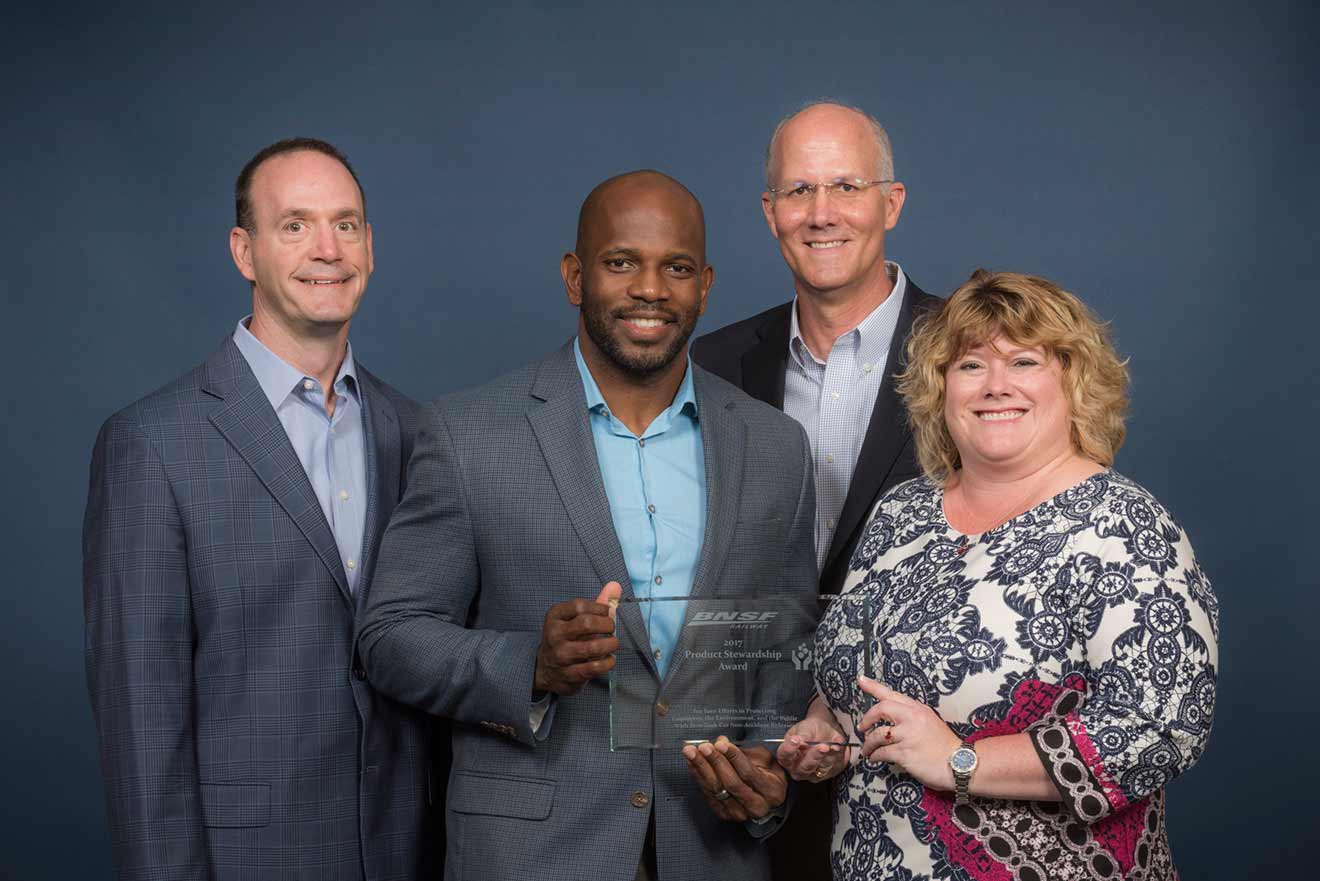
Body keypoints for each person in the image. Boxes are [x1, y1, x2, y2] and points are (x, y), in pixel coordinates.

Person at [358, 170, 818, 881]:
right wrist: (530, 667)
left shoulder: (776, 447)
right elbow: (390, 636)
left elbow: (787, 655)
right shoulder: (468, 433)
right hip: (531, 853)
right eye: (620, 262)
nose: (650, 289)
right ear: (575, 276)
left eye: (677, 267)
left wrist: (766, 769)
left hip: (713, 850)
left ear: (706, 285)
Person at [778, 270, 1219, 881]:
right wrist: (826, 728)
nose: (995, 386)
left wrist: (961, 761)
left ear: (1074, 380)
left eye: (1024, 361)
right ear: (940, 389)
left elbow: (1162, 727)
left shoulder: (1124, 528)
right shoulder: (903, 513)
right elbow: (854, 670)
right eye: (970, 366)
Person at [83, 138, 430, 881]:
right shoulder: (151, 444)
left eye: (346, 224)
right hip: (249, 859)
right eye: (295, 225)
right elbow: (144, 722)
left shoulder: (416, 430)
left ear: (370, 246)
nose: (327, 248)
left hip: (405, 850)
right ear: (245, 251)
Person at [691, 99, 941, 881]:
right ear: (770, 213)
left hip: (933, 773)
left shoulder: (973, 351)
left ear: (891, 202)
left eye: (846, 186)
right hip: (763, 769)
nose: (822, 213)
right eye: (799, 191)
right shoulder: (714, 365)